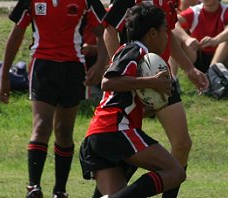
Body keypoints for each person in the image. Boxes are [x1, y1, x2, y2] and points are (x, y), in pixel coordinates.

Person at [0, 0, 107, 197]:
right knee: (41, 126)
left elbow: (103, 31)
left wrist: (101, 64)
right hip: (43, 67)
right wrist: (4, 76)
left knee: (64, 131)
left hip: (73, 69)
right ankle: (34, 187)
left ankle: (60, 191)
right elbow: (17, 32)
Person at [102, 0, 208, 197]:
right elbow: (109, 31)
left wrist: (189, 68)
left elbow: (168, 33)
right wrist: (122, 72)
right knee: (123, 154)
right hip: (133, 80)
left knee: (182, 143)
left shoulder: (168, 2)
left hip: (159, 78)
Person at [79, 4, 186, 197]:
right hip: (116, 130)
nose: (167, 37)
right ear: (152, 33)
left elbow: (124, 96)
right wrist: (152, 82)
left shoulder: (140, 55)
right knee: (175, 172)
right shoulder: (134, 50)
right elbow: (108, 82)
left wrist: (150, 106)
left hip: (101, 134)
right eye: (165, 31)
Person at [172, 0, 228, 74]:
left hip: (221, 57)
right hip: (198, 55)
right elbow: (172, 21)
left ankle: (213, 73)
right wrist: (187, 39)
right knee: (173, 35)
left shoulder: (226, 10)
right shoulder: (195, 11)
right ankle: (172, 79)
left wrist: (216, 40)